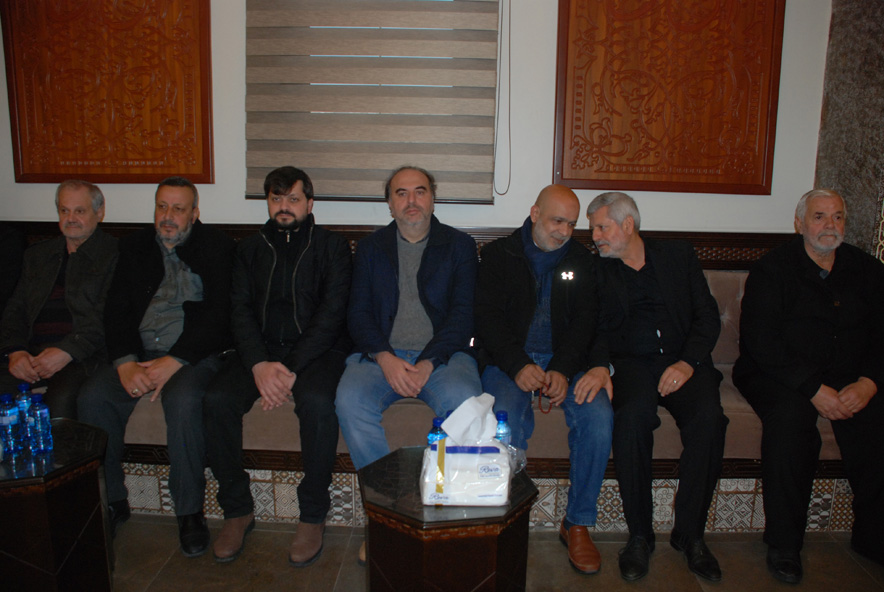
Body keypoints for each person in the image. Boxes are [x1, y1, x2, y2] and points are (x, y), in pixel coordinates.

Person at [78, 177, 235, 557]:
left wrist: (176, 360)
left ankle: (189, 512)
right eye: (162, 206)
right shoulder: (133, 247)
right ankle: (112, 501)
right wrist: (125, 363)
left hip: (193, 355)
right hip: (140, 351)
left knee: (183, 402)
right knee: (93, 397)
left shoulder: (218, 247)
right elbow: (115, 310)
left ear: (194, 214)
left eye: (178, 209)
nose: (168, 216)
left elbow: (220, 316)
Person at [203, 166, 352, 566]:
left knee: (318, 403)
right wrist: (258, 364)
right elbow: (239, 311)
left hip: (317, 352)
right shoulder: (249, 249)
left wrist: (288, 369)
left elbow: (331, 316)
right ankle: (237, 510)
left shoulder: (332, 247)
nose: (284, 206)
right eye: (276, 198)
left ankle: (313, 514)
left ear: (310, 203)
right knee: (216, 399)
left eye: (293, 199)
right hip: (260, 351)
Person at [734, 189, 884, 583]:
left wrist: (869, 383)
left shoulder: (868, 270)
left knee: (877, 421)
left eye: (837, 217)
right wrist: (813, 389)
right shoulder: (773, 269)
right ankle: (784, 544)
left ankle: (873, 537)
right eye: (819, 217)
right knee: (791, 421)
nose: (829, 225)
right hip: (776, 374)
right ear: (799, 223)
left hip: (850, 375)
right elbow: (761, 341)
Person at [335, 166, 482, 562]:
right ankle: (389, 515)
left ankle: (447, 517)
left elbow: (463, 316)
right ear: (389, 203)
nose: (411, 201)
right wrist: (384, 357)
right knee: (349, 400)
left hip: (444, 357)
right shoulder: (370, 248)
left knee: (465, 405)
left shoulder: (459, 246)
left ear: (433, 198)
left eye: (420, 191)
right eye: (401, 193)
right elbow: (358, 314)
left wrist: (430, 362)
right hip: (381, 354)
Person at [587, 192, 727, 582]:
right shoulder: (597, 269)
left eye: (602, 227)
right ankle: (640, 536)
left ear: (628, 224)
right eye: (593, 228)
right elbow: (590, 326)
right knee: (630, 419)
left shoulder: (678, 255)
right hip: (631, 364)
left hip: (682, 361)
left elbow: (707, 317)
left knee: (710, 420)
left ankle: (690, 535)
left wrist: (687, 362)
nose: (595, 236)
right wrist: (599, 366)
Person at [475, 185, 613, 575]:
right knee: (504, 418)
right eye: (557, 221)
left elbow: (586, 322)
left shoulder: (582, 261)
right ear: (535, 213)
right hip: (508, 362)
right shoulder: (499, 255)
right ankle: (503, 518)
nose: (564, 232)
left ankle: (578, 523)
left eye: (571, 224)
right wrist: (518, 365)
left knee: (599, 417)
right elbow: (486, 319)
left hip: (567, 362)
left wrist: (563, 369)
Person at [0, 181, 117, 418]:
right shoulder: (38, 255)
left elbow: (109, 314)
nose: (71, 218)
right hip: (31, 351)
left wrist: (67, 351)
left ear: (100, 212)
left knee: (59, 403)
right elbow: (15, 309)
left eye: (79, 211)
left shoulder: (116, 254)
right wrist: (15, 351)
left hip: (84, 355)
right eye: (64, 210)